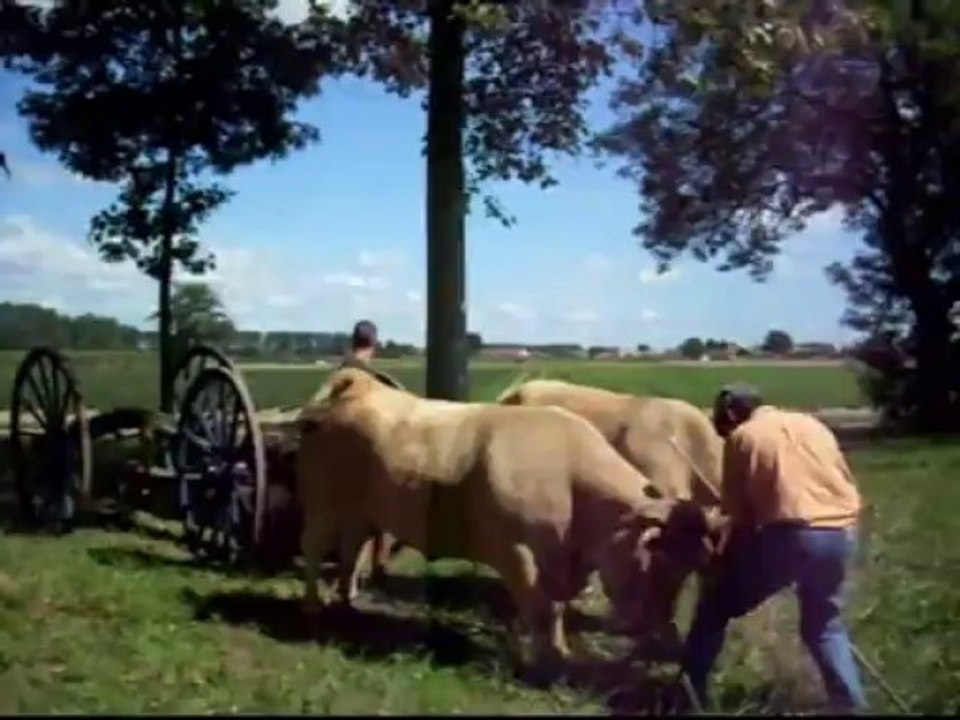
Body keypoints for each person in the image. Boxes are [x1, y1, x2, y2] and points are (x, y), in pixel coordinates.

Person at [680, 383, 868, 714]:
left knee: (715, 607)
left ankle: (689, 692)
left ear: (732, 414)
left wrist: (724, 558)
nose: (726, 433)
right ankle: (849, 705)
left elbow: (740, 518)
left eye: (723, 427)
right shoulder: (813, 425)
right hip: (843, 531)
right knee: (825, 624)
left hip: (792, 535)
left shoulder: (744, 437)